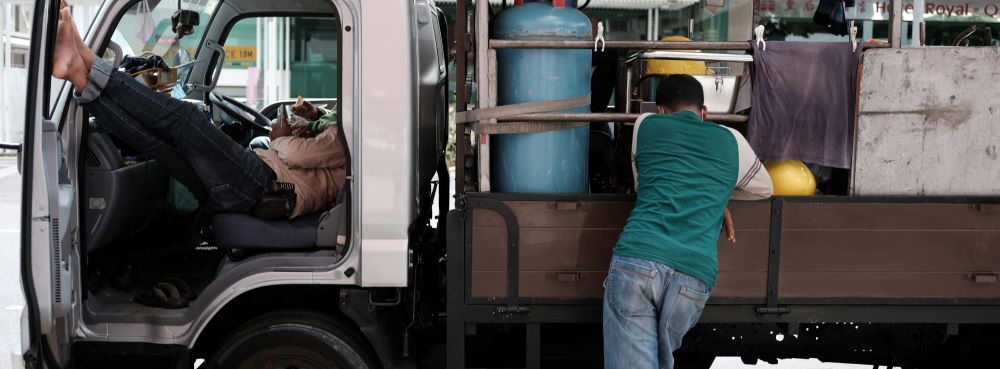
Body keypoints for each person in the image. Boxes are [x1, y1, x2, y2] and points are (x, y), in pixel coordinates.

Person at [52, 5, 345, 220]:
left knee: (186, 119)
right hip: (261, 185)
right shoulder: (342, 126)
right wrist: (309, 121)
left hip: (265, 186)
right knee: (157, 143)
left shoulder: (351, 135)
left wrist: (280, 138)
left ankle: (87, 60)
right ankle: (80, 74)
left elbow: (296, 155)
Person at [603, 74, 773, 368]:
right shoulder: (732, 140)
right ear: (704, 112)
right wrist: (718, 197)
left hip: (638, 261)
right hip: (693, 276)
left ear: (660, 110)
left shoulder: (646, 125)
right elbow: (764, 188)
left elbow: (645, 186)